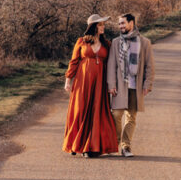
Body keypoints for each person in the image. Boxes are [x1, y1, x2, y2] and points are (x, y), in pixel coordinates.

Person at [63, 14, 119, 158]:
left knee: (96, 112)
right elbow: (74, 61)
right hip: (83, 81)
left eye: (103, 24)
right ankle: (76, 143)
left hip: (100, 83)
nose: (103, 27)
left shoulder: (107, 44)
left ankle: (91, 147)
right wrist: (68, 80)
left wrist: (113, 84)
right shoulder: (81, 42)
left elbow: (112, 65)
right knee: (80, 111)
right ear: (93, 26)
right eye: (100, 25)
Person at [107, 13, 154, 157]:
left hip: (136, 86)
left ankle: (126, 147)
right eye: (119, 24)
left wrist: (147, 84)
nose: (120, 26)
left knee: (131, 118)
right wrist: (111, 84)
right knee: (115, 115)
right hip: (120, 87)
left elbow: (149, 66)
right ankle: (114, 143)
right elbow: (111, 65)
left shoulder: (144, 42)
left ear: (131, 23)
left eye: (123, 23)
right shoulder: (115, 43)